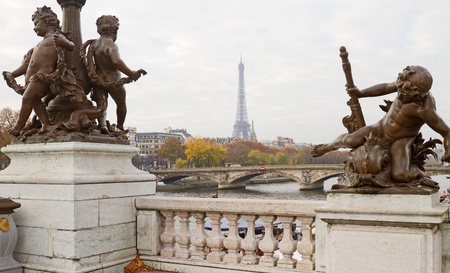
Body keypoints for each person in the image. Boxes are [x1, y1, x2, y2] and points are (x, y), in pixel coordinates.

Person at [312, 65, 450, 183]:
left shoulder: (425, 109)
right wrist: (361, 93)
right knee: (350, 140)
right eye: (399, 89)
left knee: (400, 175)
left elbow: (446, 132)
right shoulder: (405, 83)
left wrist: (448, 151)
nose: (400, 95)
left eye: (405, 94)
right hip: (381, 127)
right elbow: (385, 87)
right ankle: (329, 146)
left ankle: (417, 172)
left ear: (418, 94)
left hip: (401, 139)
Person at [2, 6, 79, 136]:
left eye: (36, 23)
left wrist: (64, 42)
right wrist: (12, 74)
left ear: (47, 22)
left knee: (27, 98)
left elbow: (71, 46)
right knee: (35, 101)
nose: (35, 27)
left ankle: (18, 127)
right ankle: (46, 124)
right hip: (33, 79)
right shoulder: (38, 45)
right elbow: (26, 66)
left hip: (43, 77)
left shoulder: (56, 37)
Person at [87, 15, 143, 133]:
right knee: (121, 104)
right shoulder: (111, 44)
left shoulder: (93, 45)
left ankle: (102, 125)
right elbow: (116, 61)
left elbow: (90, 64)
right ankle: (120, 127)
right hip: (113, 80)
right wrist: (131, 73)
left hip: (98, 80)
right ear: (115, 30)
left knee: (102, 104)